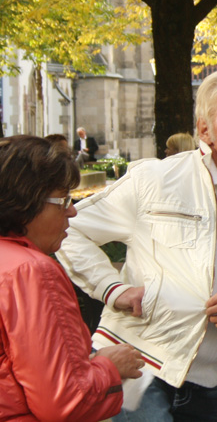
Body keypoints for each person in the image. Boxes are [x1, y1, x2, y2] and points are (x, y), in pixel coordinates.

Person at [57, 69, 217, 421]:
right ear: (204, 129)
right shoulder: (156, 180)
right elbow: (68, 227)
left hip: (213, 383)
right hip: (140, 372)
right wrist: (112, 288)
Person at [0, 135, 144, 421]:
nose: (72, 210)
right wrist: (108, 366)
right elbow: (64, 401)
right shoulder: (32, 272)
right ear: (26, 201)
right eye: (63, 200)